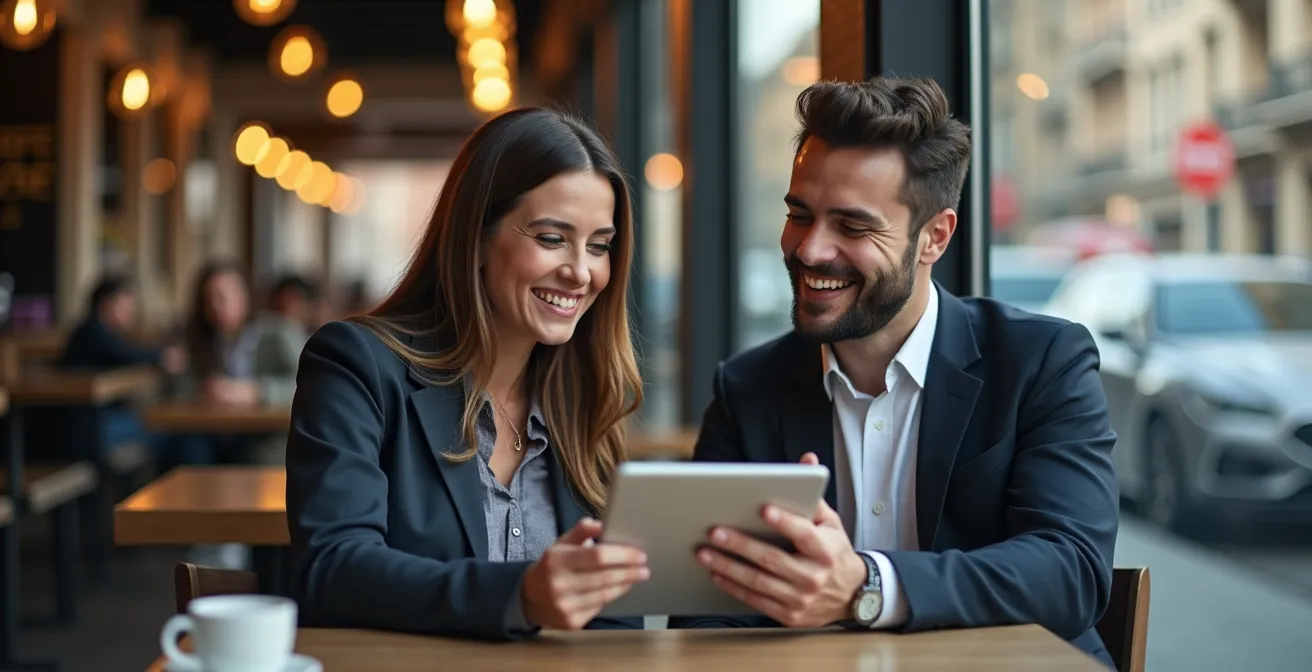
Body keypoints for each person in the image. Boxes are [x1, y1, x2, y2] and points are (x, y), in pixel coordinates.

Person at [668, 76, 1119, 668]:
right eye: (800, 215)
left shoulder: (1042, 361)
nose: (809, 250)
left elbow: (1071, 571)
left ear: (935, 236)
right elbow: (703, 608)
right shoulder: (747, 388)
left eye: (853, 227)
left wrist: (866, 586)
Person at [285, 107, 649, 639]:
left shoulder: (586, 400)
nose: (580, 271)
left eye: (599, 246)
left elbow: (617, 619)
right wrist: (521, 595)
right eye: (551, 238)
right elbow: (333, 569)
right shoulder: (356, 365)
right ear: (477, 236)